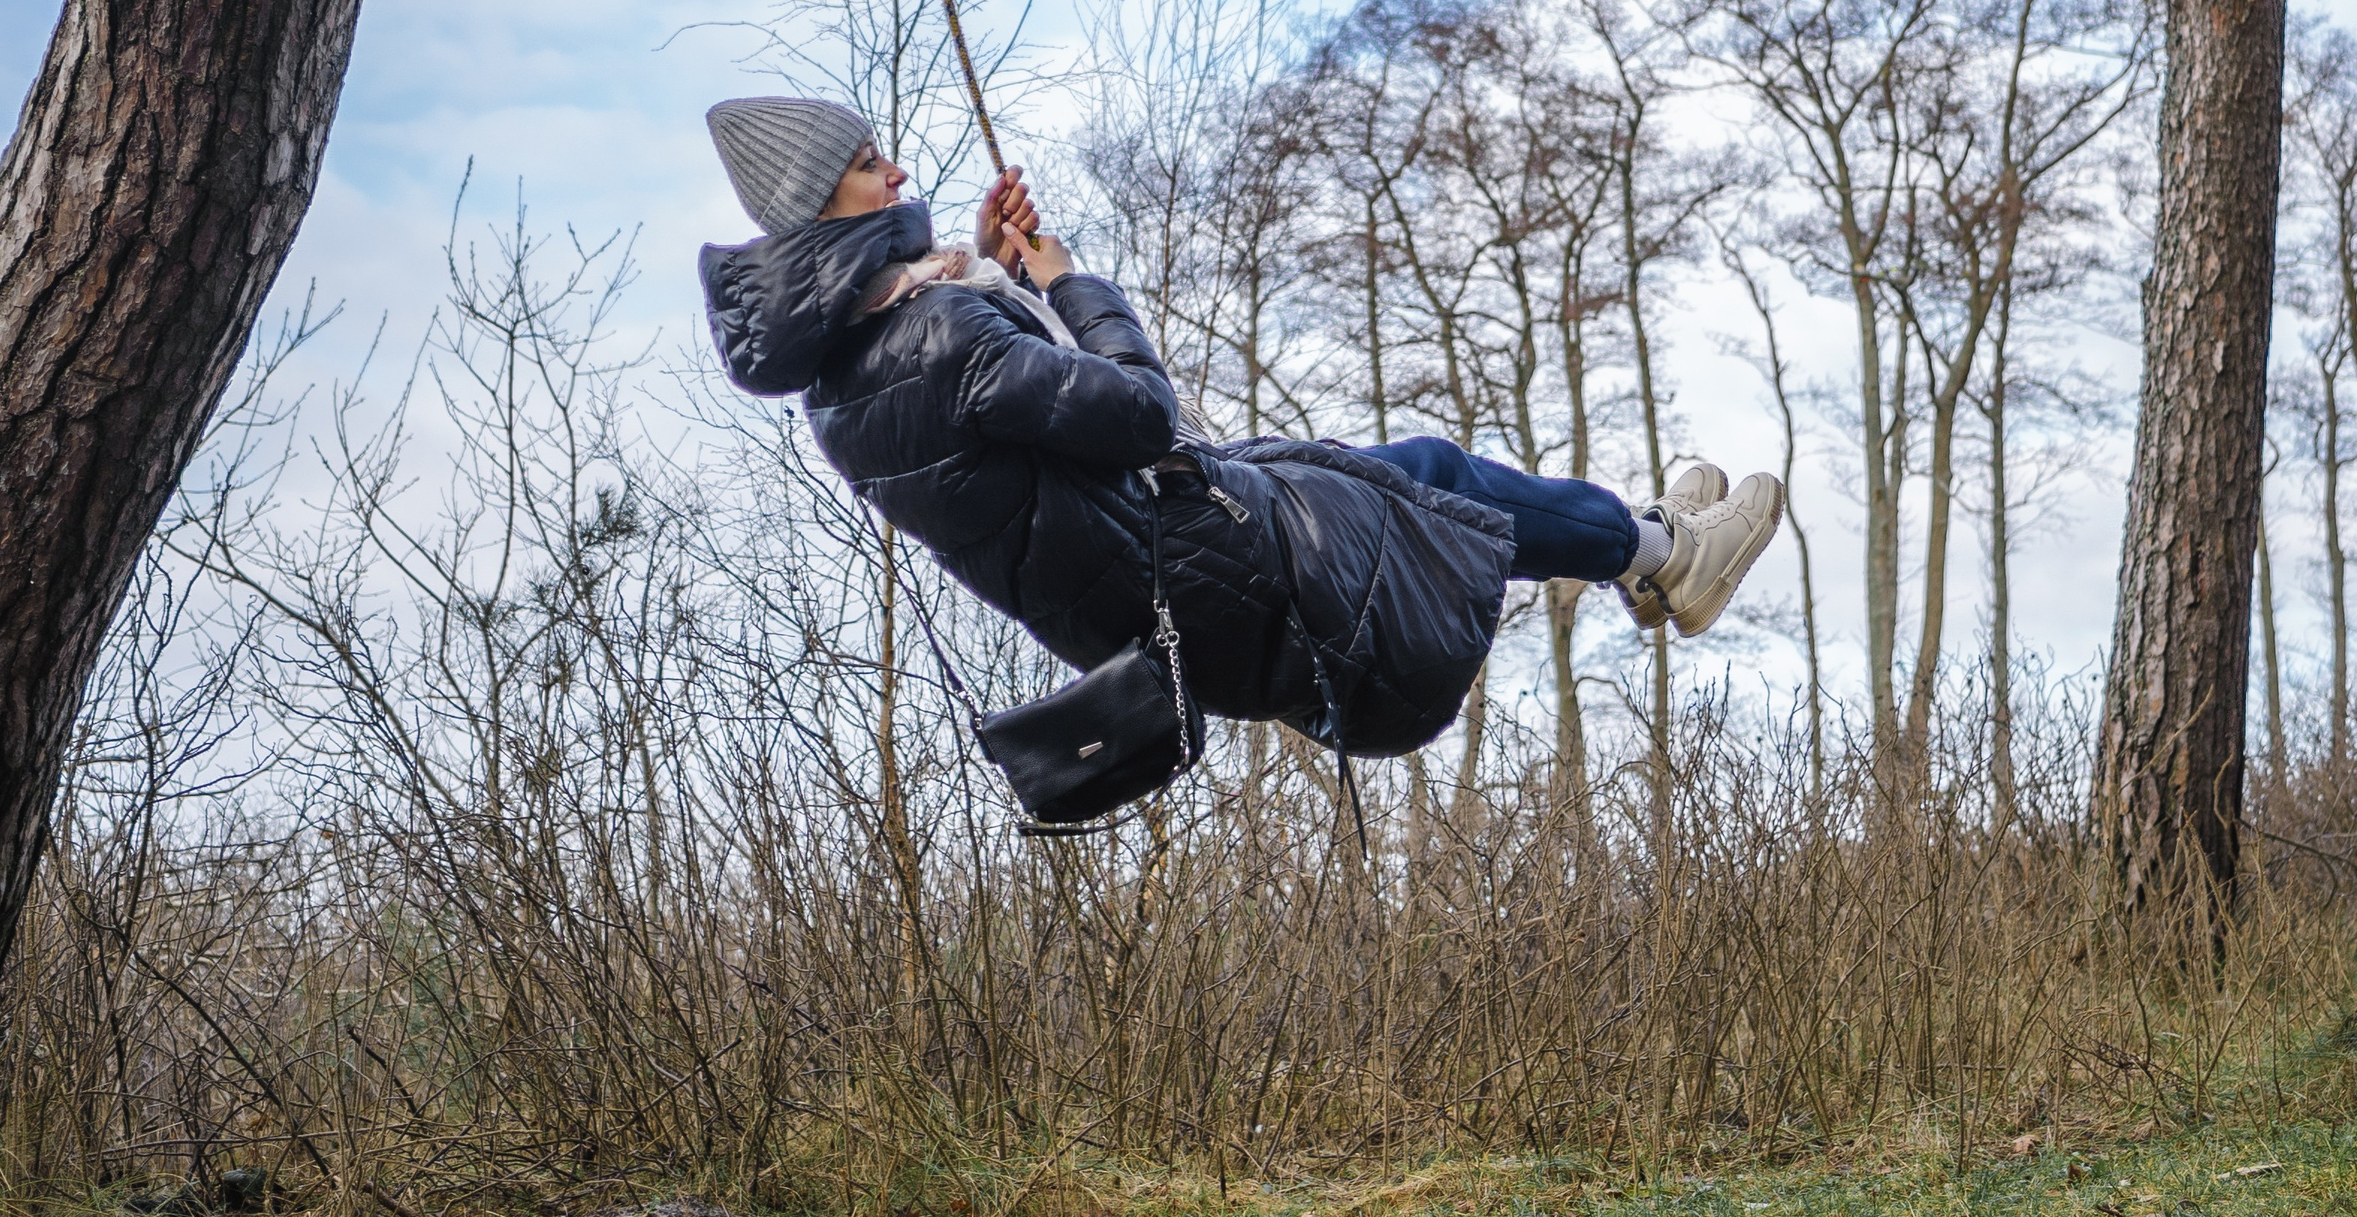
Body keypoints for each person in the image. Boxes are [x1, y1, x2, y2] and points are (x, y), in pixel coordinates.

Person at [698, 93, 1783, 761]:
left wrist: (986, 270)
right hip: (1200, 562)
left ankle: (1643, 549)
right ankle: (1666, 558)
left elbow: (999, 420)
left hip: (1147, 598)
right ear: (819, 209)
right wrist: (1070, 284)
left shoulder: (846, 380)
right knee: (1430, 481)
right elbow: (1133, 412)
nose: (895, 172)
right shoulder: (933, 335)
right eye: (865, 164)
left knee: (1416, 474)